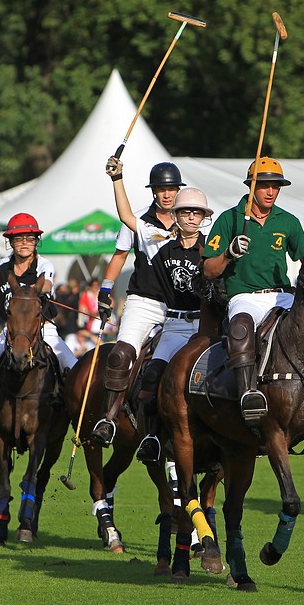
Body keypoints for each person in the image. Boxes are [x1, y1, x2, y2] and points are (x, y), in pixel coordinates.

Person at [107, 161, 213, 463]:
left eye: (196, 213)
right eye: (185, 212)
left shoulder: (210, 248)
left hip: (202, 324)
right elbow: (127, 218)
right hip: (166, 317)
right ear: (176, 215)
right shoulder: (159, 240)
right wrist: (117, 179)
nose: (190, 217)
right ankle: (133, 427)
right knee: (144, 369)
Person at [202, 157, 304, 426]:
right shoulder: (230, 219)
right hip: (244, 297)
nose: (271, 191)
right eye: (264, 185)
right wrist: (229, 253)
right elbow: (208, 269)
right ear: (251, 187)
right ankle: (248, 394)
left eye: (276, 186)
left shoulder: (288, 221)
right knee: (240, 328)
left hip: (282, 295)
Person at [0, 213, 78, 438]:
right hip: (10, 333)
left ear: (36, 242)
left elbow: (47, 284)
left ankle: (77, 418)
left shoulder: (44, 264)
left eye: (29, 238)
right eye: (19, 238)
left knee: (73, 368)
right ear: (10, 242)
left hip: (44, 330)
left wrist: (32, 290)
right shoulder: (0, 268)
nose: (24, 243)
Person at [88, 161, 184, 448]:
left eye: (171, 189)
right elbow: (119, 255)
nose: (166, 195)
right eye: (161, 189)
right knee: (119, 355)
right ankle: (109, 418)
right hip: (143, 303)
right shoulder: (139, 223)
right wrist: (106, 289)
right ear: (153, 192)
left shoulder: (189, 223)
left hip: (178, 308)